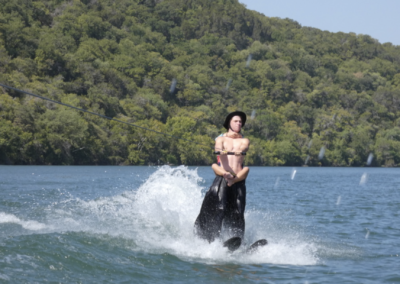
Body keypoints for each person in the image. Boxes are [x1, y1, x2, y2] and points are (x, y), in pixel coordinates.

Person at [194, 111, 250, 243]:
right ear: (229, 123)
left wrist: (240, 151)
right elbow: (218, 147)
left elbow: (245, 147)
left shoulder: (244, 140)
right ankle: (211, 238)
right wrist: (221, 151)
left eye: (240, 122)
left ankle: (236, 240)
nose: (239, 123)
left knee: (238, 212)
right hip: (223, 178)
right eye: (236, 121)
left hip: (238, 180)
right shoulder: (221, 139)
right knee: (220, 208)